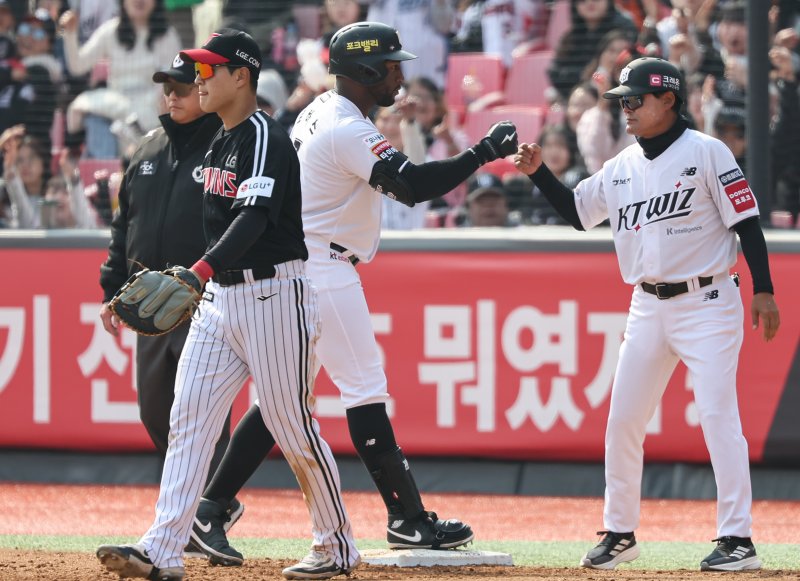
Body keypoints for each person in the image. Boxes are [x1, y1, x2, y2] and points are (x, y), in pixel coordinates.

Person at [187, 20, 518, 570]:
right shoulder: (344, 126)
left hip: (306, 262)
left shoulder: (322, 108)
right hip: (322, 267)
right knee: (360, 388)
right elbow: (412, 187)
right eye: (390, 66)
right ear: (363, 71)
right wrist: (484, 150)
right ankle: (408, 519)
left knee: (282, 400)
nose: (399, 74)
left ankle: (211, 508)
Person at [95, 28, 359, 581]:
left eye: (209, 70)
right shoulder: (219, 139)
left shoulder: (263, 134)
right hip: (220, 298)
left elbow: (253, 219)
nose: (199, 79)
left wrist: (197, 271)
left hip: (272, 294)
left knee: (292, 426)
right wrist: (195, 277)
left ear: (242, 76)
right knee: (188, 419)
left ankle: (336, 546)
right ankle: (162, 548)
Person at [514, 56, 780, 572]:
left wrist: (764, 290)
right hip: (647, 304)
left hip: (707, 301)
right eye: (622, 101)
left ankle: (737, 538)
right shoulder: (621, 166)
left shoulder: (706, 151)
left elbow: (746, 221)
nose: (626, 108)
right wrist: (539, 173)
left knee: (717, 415)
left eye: (635, 99)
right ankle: (619, 531)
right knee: (623, 419)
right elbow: (576, 214)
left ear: (668, 101)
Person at [97, 52, 238, 544]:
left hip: (207, 300)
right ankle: (204, 503)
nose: (172, 95)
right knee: (156, 411)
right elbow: (124, 224)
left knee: (199, 410)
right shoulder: (146, 148)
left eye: (182, 86)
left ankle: (207, 509)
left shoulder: (227, 147)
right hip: (151, 305)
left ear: (205, 90)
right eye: (167, 86)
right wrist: (112, 288)